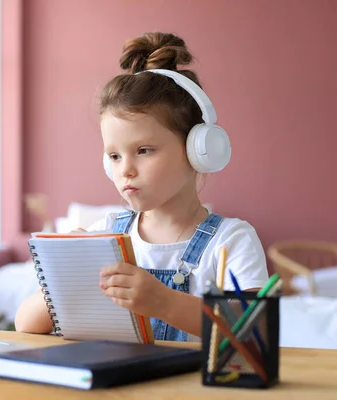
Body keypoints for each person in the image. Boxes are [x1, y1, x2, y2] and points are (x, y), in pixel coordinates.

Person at [14, 32, 269, 341]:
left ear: (198, 149)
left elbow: (255, 331)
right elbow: (25, 325)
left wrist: (164, 302)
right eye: (114, 156)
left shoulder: (231, 240)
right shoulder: (106, 234)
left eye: (144, 150)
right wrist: (64, 278)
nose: (126, 170)